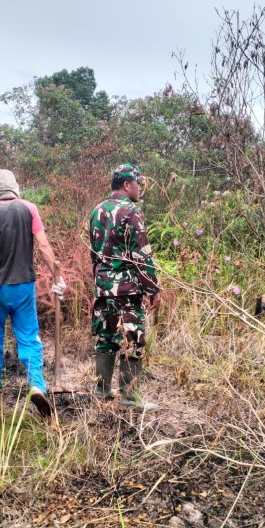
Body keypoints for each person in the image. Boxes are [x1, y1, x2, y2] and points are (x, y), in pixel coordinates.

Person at [0, 169, 65, 417]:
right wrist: (58, 278)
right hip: (25, 286)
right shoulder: (30, 208)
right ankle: (37, 384)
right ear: (14, 186)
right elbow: (44, 245)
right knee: (29, 336)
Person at [89, 163, 161, 411]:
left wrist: (99, 283)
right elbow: (142, 254)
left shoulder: (96, 211)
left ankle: (101, 392)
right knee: (133, 340)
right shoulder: (132, 211)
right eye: (138, 183)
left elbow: (93, 254)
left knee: (105, 338)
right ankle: (129, 399)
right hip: (127, 290)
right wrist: (152, 288)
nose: (140, 188)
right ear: (127, 185)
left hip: (103, 288)